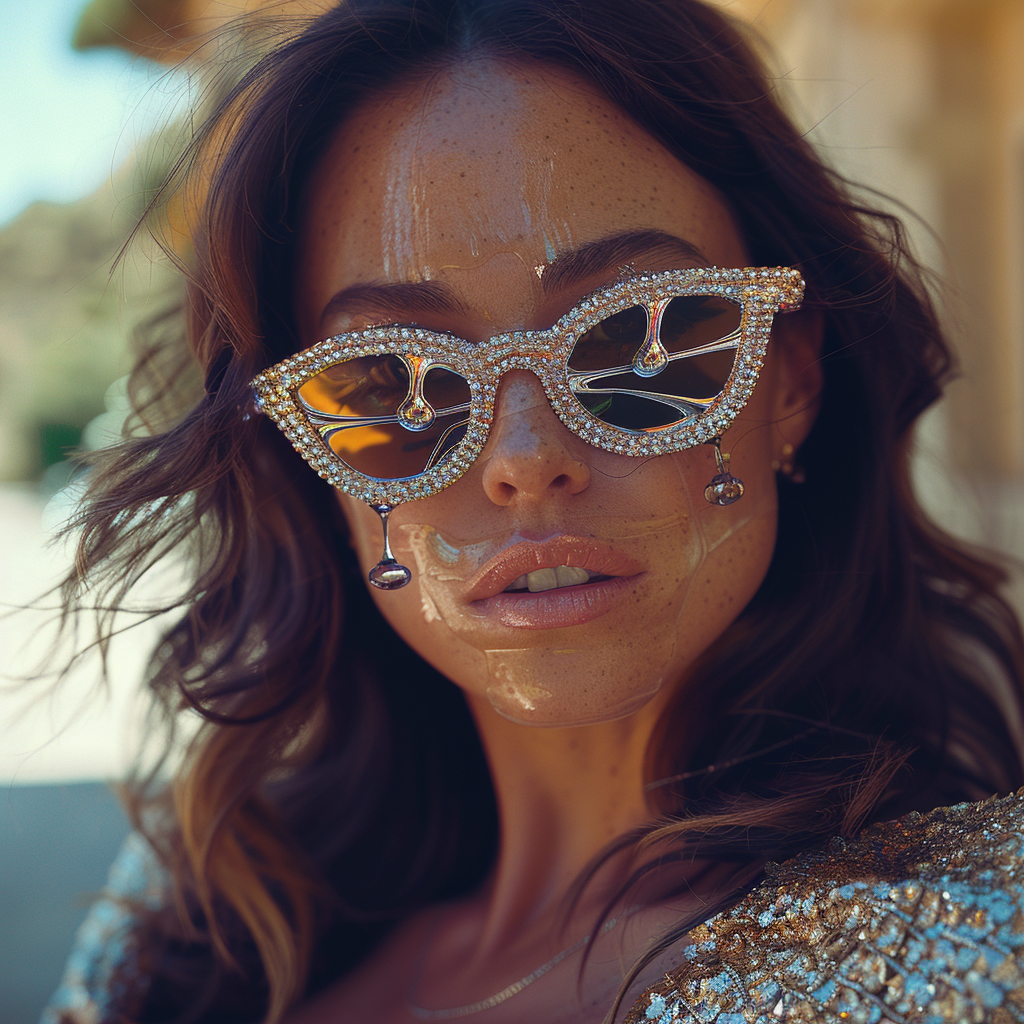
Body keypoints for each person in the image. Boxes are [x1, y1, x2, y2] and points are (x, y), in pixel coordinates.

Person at [42, 0, 1024, 1022]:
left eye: (636, 341)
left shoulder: (972, 944)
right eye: (396, 382)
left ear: (789, 377)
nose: (524, 459)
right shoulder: (193, 937)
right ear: (309, 463)